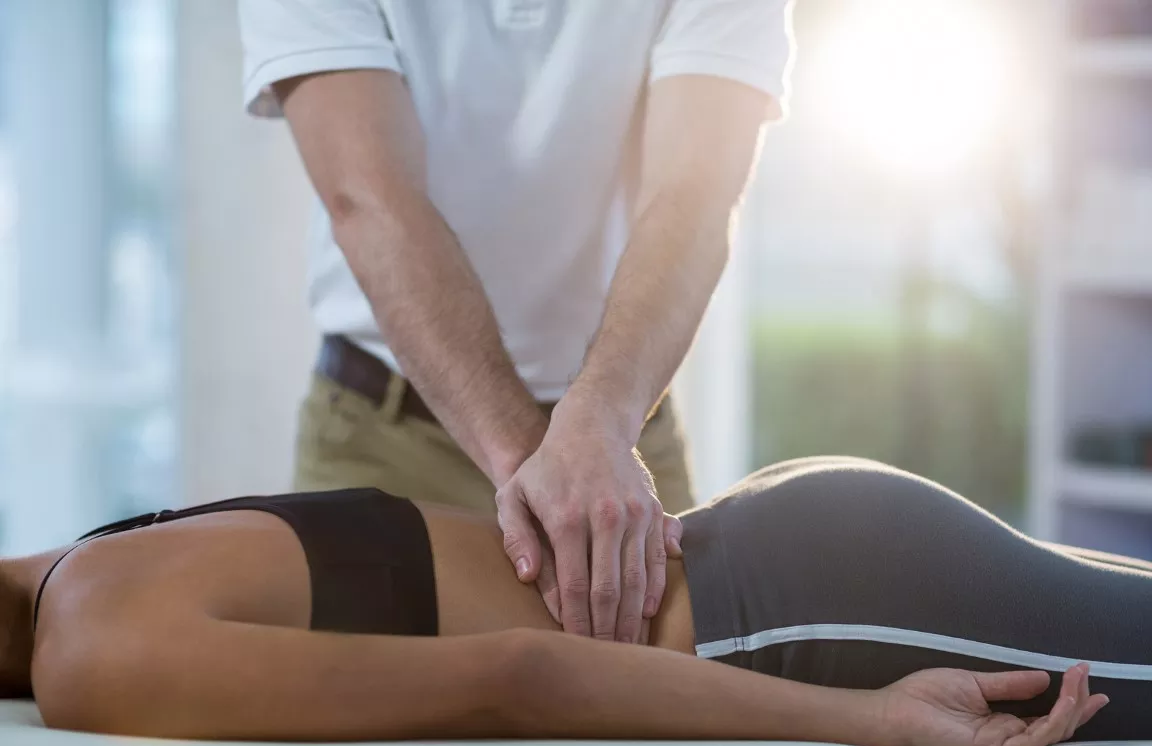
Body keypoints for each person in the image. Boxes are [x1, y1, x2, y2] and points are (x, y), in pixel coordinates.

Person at [237, 0, 793, 642]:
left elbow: (694, 195)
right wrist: (552, 478)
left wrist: (597, 437)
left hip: (620, 449)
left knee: (664, 728)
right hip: (385, 440)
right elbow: (365, 196)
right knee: (364, 722)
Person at [6, 456, 1152, 746]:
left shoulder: (100, 647)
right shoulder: (85, 564)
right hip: (790, 547)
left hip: (803, 612)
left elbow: (515, 679)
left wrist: (881, 721)